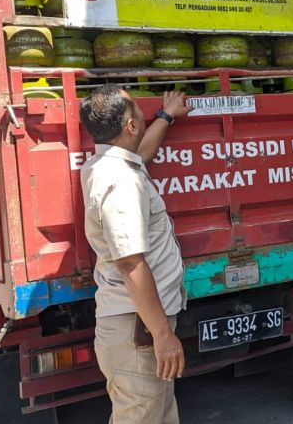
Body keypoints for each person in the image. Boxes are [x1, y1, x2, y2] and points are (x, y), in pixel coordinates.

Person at [79, 85, 193, 424]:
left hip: (136, 329)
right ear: (130, 126)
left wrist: (166, 116)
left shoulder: (108, 163)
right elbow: (130, 262)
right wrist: (163, 336)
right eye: (138, 112)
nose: (144, 114)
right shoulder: (121, 180)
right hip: (138, 332)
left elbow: (140, 153)